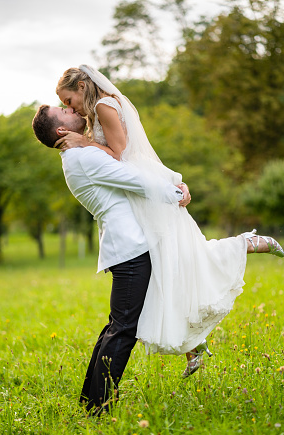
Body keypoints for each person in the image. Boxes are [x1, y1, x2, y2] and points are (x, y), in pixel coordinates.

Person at [53, 65, 284, 378]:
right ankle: (193, 343)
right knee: (169, 266)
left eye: (68, 99)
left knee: (184, 258)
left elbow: (120, 155)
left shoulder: (104, 106)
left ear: (81, 85)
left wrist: (86, 143)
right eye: (64, 106)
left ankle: (245, 243)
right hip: (138, 190)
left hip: (143, 190)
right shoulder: (97, 111)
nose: (70, 107)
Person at [32, 104, 191, 414]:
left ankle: (90, 402)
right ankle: (98, 408)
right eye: (64, 110)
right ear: (62, 131)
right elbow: (134, 179)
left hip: (124, 247)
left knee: (116, 327)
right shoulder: (82, 156)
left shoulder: (78, 155)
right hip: (130, 248)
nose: (70, 108)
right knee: (123, 330)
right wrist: (177, 194)